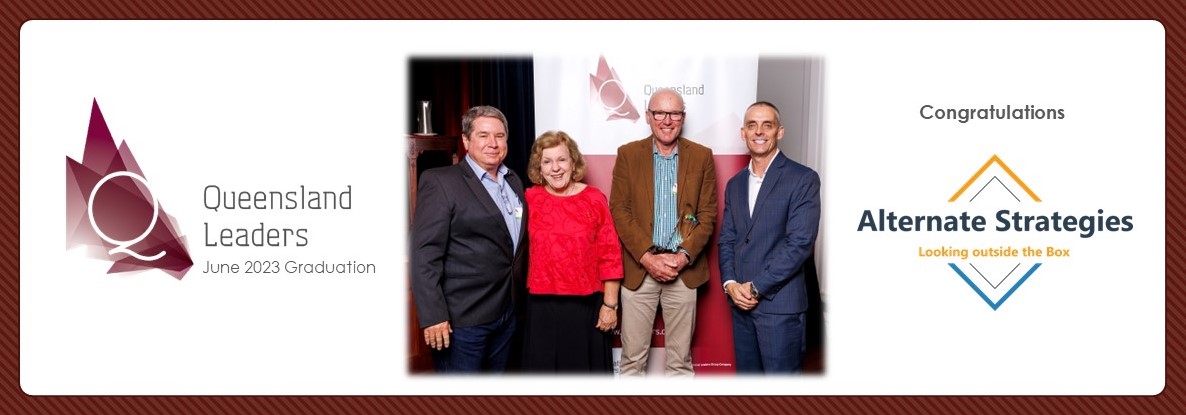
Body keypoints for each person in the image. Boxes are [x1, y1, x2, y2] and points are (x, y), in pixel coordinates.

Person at [411, 105, 527, 373]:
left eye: (499, 136)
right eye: (483, 135)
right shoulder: (441, 182)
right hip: (461, 321)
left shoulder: (514, 182)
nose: (493, 143)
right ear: (466, 140)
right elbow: (424, 253)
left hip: (506, 313)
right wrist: (434, 316)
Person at [610, 88, 717, 376]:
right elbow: (619, 211)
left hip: (684, 272)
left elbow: (707, 215)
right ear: (648, 116)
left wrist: (682, 257)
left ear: (683, 118)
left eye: (674, 114)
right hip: (640, 269)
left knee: (680, 363)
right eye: (659, 113)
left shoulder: (702, 156)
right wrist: (647, 258)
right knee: (632, 361)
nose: (666, 120)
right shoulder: (628, 154)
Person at [718, 101, 821, 373]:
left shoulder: (803, 179)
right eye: (752, 125)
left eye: (767, 125)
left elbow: (799, 244)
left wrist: (755, 287)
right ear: (743, 133)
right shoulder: (735, 183)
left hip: (780, 307)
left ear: (780, 132)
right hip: (740, 306)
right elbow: (727, 238)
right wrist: (730, 284)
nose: (759, 132)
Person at [522, 131, 623, 373]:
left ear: (573, 162)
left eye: (562, 160)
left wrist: (610, 305)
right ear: (539, 167)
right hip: (541, 307)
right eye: (547, 162)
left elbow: (610, 253)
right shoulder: (529, 198)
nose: (555, 168)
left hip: (585, 307)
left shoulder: (593, 199)